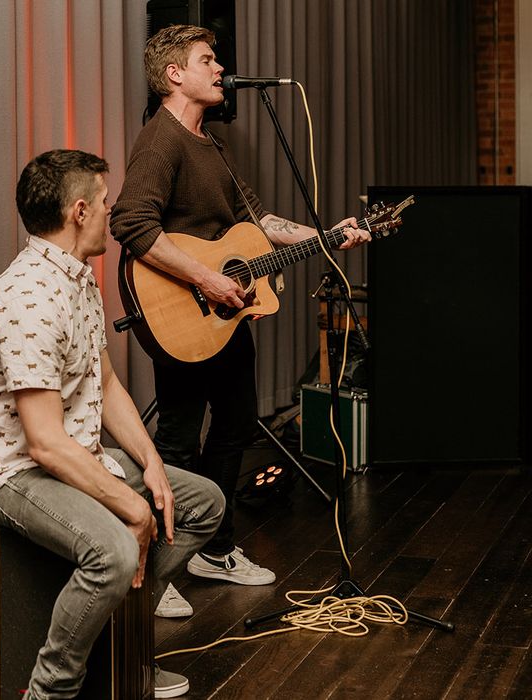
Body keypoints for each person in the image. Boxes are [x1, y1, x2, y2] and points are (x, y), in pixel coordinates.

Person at [109, 25, 370, 613]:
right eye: (208, 60)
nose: (221, 68)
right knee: (178, 439)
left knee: (234, 426)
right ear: (175, 74)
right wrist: (205, 279)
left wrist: (327, 239)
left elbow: (258, 221)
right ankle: (158, 568)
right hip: (184, 313)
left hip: (227, 320)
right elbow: (130, 223)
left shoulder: (212, 145)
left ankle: (214, 546)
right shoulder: (162, 140)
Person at [0, 149, 225, 699]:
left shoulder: (78, 280)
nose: (114, 211)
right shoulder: (28, 298)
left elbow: (102, 385)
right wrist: (132, 508)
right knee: (116, 549)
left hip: (73, 452)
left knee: (202, 503)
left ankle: (119, 646)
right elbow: (44, 443)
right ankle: (49, 690)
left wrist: (151, 463)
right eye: (106, 201)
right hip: (13, 473)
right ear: (80, 211)